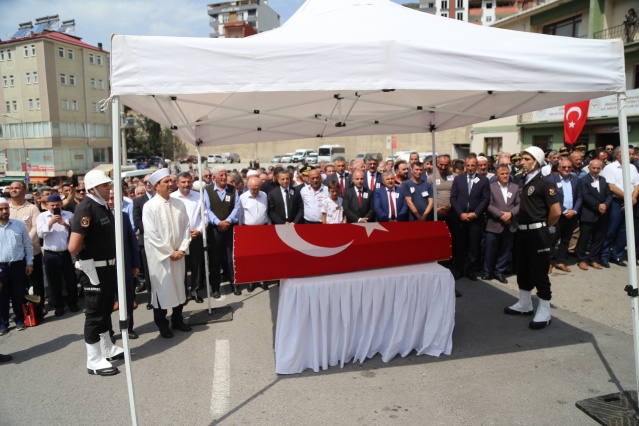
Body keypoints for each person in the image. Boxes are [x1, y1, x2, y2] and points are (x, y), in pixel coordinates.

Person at [68, 170, 124, 376]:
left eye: (108, 185)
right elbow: (73, 246)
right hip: (94, 269)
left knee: (105, 309)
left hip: (107, 267)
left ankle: (107, 348)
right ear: (92, 188)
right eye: (104, 186)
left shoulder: (102, 206)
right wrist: (85, 259)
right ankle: (93, 360)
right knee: (94, 314)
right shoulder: (86, 208)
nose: (109, 188)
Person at [505, 146, 561, 330]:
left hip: (537, 233)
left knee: (539, 271)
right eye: (522, 158)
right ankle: (525, 303)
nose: (522, 162)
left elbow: (556, 211)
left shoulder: (544, 183)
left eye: (527, 159)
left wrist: (545, 227)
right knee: (522, 268)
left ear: (536, 162)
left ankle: (544, 310)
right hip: (522, 231)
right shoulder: (522, 181)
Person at [142, 168, 192, 338]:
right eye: (166, 182)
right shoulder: (149, 207)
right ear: (156, 186)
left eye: (171, 181)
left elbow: (186, 228)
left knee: (179, 287)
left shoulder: (179, 203)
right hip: (161, 259)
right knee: (162, 290)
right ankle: (163, 325)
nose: (170, 184)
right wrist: (170, 252)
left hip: (179, 255)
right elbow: (151, 235)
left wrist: (182, 249)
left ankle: (178, 319)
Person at [37, 194, 79, 316]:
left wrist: (65, 224)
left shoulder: (68, 214)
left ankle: (73, 303)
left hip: (66, 253)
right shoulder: (42, 216)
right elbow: (40, 233)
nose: (55, 207)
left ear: (61, 204)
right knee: (54, 281)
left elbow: (75, 231)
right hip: (51, 254)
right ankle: (58, 305)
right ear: (47, 205)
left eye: (57, 205)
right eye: (52, 205)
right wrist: (50, 223)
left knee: (70, 279)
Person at [449, 155, 490, 280]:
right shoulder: (458, 179)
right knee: (459, 245)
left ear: (476, 166)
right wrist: (460, 213)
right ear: (465, 166)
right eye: (468, 165)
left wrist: (475, 213)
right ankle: (459, 269)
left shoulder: (483, 180)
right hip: (460, 218)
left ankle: (471, 270)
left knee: (474, 246)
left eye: (473, 165)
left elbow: (485, 199)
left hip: (475, 219)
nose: (470, 168)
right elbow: (453, 198)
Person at [203, 166, 242, 298]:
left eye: (225, 174)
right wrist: (218, 222)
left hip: (230, 228)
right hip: (215, 230)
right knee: (215, 259)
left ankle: (234, 284)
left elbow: (237, 207)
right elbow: (207, 209)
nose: (224, 177)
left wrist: (228, 221)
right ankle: (215, 288)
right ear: (214, 177)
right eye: (221, 175)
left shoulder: (232, 190)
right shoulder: (207, 191)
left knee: (231, 258)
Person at [7, 181, 44, 311]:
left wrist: (23, 243)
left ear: (24, 191)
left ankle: (38, 308)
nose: (13, 190)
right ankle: (24, 309)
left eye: (17, 188)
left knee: (36, 283)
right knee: (20, 285)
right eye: (11, 188)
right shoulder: (6, 208)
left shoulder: (32, 208)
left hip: (32, 253)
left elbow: (36, 228)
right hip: (14, 256)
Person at [600, 146, 639, 267]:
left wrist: (632, 199)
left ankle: (616, 255)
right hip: (616, 202)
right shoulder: (610, 168)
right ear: (617, 155)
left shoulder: (632, 168)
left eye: (630, 154)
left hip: (630, 202)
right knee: (611, 230)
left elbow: (637, 185)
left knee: (625, 230)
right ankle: (604, 256)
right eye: (626, 153)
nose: (630, 156)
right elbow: (611, 187)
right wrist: (628, 198)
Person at [170, 172, 206, 303]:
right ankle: (183, 292)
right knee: (181, 267)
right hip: (180, 239)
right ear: (177, 183)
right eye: (183, 182)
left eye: (189, 182)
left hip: (196, 236)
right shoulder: (172, 197)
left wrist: (199, 230)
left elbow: (205, 215)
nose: (186, 184)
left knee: (196, 264)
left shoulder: (198, 196)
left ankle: (195, 291)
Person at [0, 197, 33, 335]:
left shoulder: (19, 225)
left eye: (6, 208)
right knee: (2, 297)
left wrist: (29, 262)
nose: (4, 211)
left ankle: (20, 320)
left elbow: (27, 245)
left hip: (18, 265)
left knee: (18, 294)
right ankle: (3, 324)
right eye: (1, 209)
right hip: (1, 268)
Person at [482, 165, 519, 283]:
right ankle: (488, 271)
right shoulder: (491, 187)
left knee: (505, 250)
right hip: (494, 223)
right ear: (497, 176)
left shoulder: (515, 187)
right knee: (490, 249)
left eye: (507, 173)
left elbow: (519, 204)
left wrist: (511, 214)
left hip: (510, 224)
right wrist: (502, 215)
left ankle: (499, 271)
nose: (505, 176)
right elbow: (488, 204)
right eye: (502, 174)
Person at [576, 159, 612, 270]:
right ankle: (582, 259)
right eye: (594, 168)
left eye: (598, 168)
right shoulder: (583, 180)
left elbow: (609, 195)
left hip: (602, 215)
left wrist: (605, 204)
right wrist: (598, 206)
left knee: (598, 238)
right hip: (589, 214)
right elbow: (586, 196)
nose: (596, 170)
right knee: (584, 239)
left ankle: (593, 259)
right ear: (589, 168)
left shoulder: (603, 180)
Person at [548, 158, 582, 273]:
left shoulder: (576, 179)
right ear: (558, 168)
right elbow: (553, 198)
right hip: (558, 215)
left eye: (569, 167)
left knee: (566, 239)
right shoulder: (552, 180)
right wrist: (564, 210)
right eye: (564, 167)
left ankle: (560, 262)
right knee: (552, 239)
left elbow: (579, 197)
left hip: (572, 215)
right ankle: (549, 263)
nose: (566, 169)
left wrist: (574, 211)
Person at [239, 176, 270, 292]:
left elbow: (266, 211)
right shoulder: (243, 198)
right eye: (253, 189)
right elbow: (240, 215)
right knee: (250, 258)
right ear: (248, 187)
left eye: (257, 188)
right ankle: (251, 280)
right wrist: (241, 231)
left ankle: (261, 279)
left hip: (263, 229)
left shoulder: (264, 195)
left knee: (262, 257)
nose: (255, 191)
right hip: (249, 230)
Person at [132, 174, 155, 306]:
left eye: (150, 181)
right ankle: (151, 297)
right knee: (148, 270)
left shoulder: (162, 198)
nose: (147, 184)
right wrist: (152, 233)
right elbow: (137, 221)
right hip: (146, 240)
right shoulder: (138, 201)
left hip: (163, 240)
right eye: (145, 182)